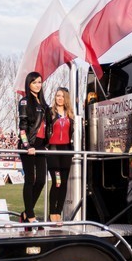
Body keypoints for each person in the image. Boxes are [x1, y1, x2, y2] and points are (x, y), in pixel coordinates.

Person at [18, 71, 48, 226]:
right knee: (30, 179)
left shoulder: (44, 104)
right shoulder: (24, 102)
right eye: (35, 82)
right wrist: (26, 145)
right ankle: (30, 215)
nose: (38, 85)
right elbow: (22, 128)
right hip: (28, 145)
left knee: (41, 180)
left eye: (40, 82)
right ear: (29, 84)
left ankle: (25, 212)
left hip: (41, 145)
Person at [46, 87, 75, 221]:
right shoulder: (50, 112)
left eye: (62, 96)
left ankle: (59, 212)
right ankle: (52, 212)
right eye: (57, 95)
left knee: (64, 183)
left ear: (66, 98)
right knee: (57, 182)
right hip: (53, 150)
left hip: (66, 150)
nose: (59, 98)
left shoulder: (70, 114)